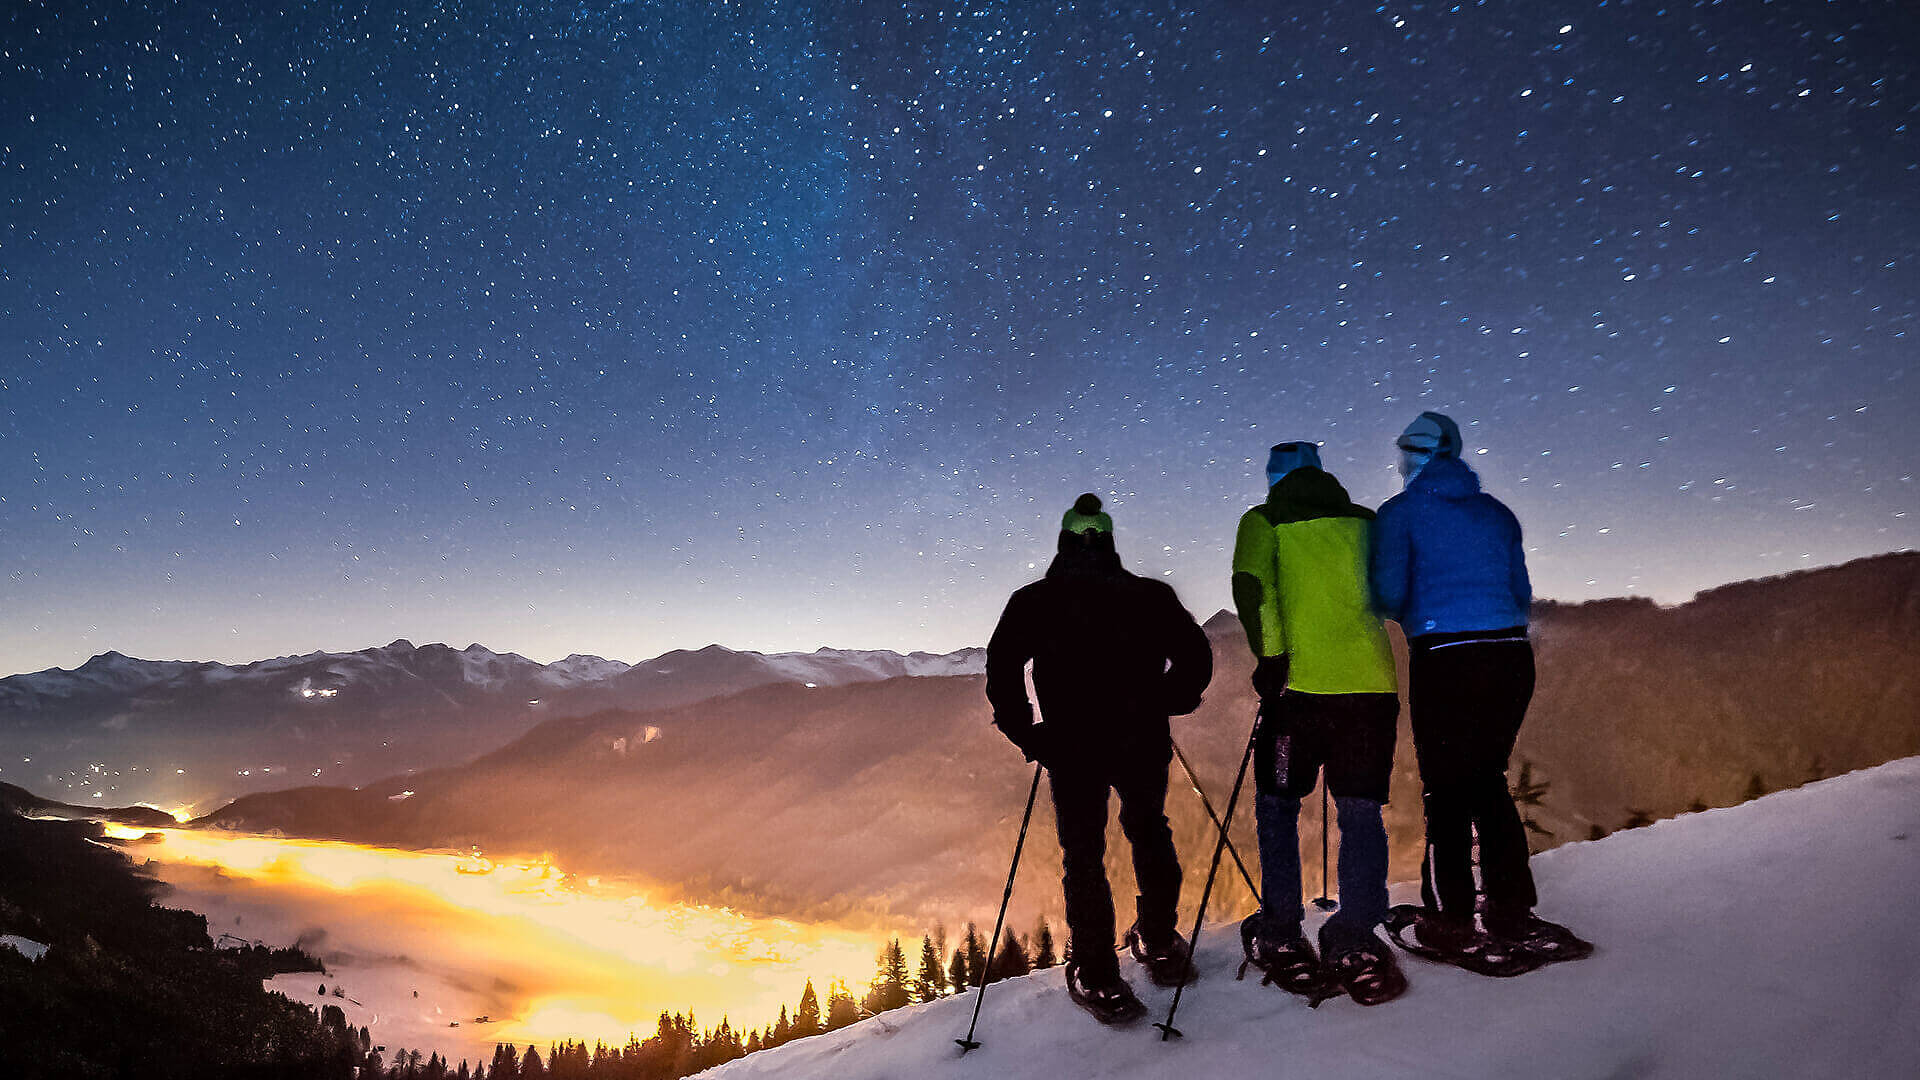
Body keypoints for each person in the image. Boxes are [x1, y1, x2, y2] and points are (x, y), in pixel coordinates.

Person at [1370, 411, 1593, 974]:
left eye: (1405, 449)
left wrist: (1417, 611)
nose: (1400, 459)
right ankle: (1511, 909)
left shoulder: (1399, 515)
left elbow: (1389, 593)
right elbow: (1520, 591)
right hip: (1511, 655)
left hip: (1446, 656)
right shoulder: (1497, 514)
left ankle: (1452, 918)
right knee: (1487, 781)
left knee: (1445, 790)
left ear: (1417, 455)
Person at [985, 493, 1213, 1024]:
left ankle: (1098, 973)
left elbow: (1001, 668)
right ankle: (1158, 941)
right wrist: (1168, 699)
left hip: (1072, 748)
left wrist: (1028, 734)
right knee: (1150, 830)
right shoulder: (1150, 596)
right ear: (1110, 542)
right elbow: (1196, 658)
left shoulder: (1035, 600)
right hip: (1143, 740)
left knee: (1083, 856)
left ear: (1063, 542)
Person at [1229, 442, 1407, 1006]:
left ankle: (1282, 928)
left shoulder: (1262, 520)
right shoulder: (1365, 521)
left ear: (1273, 477)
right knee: (1359, 811)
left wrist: (1273, 658)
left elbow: (1252, 590)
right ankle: (1353, 936)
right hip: (1371, 689)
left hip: (1299, 696)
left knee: (1278, 805)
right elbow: (1392, 594)